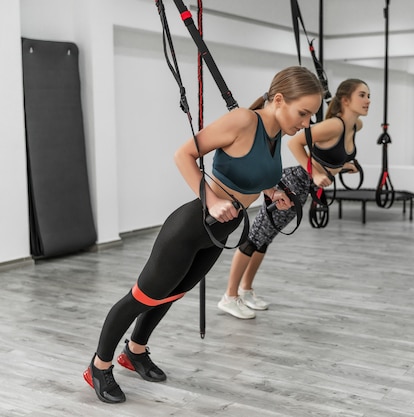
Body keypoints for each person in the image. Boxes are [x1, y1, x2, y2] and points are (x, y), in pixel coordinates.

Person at [83, 66, 324, 404]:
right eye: (304, 112)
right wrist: (210, 201)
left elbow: (251, 168)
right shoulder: (243, 120)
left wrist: (271, 190)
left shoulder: (275, 134)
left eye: (311, 115)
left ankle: (135, 352)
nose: (307, 122)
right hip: (193, 225)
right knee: (141, 297)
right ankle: (99, 365)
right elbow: (184, 154)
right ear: (280, 100)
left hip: (223, 229)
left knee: (172, 294)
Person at [217, 79, 371, 319]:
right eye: (362, 95)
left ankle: (245, 290)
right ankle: (229, 296)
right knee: (254, 239)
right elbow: (295, 142)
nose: (368, 100)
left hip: (304, 188)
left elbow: (327, 155)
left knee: (265, 240)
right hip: (292, 183)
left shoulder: (355, 126)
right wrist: (316, 173)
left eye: (368, 95)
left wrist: (342, 167)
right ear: (345, 100)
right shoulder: (334, 126)